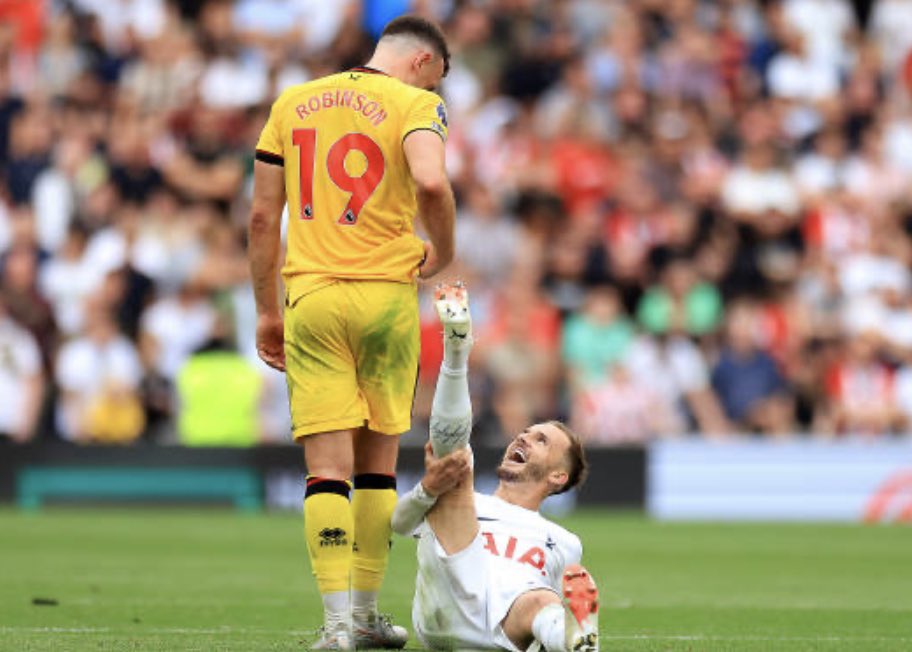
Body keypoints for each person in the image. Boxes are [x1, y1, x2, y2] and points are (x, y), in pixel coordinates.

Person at [246, 14, 456, 651]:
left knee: (325, 472)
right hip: (386, 300)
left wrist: (266, 311)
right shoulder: (418, 103)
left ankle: (337, 625)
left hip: (311, 296)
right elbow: (431, 181)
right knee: (377, 468)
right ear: (423, 61)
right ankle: (365, 614)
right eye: (441, 77)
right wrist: (442, 250)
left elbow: (261, 218)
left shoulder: (293, 102)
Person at [391, 283, 600, 652]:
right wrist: (428, 489)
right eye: (525, 432)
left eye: (541, 441)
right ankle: (456, 354)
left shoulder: (566, 544)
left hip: (502, 632)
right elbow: (398, 524)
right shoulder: (463, 500)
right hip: (445, 613)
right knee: (456, 467)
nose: (522, 438)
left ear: (557, 477)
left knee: (541, 602)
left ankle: (580, 641)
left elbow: (534, 602)